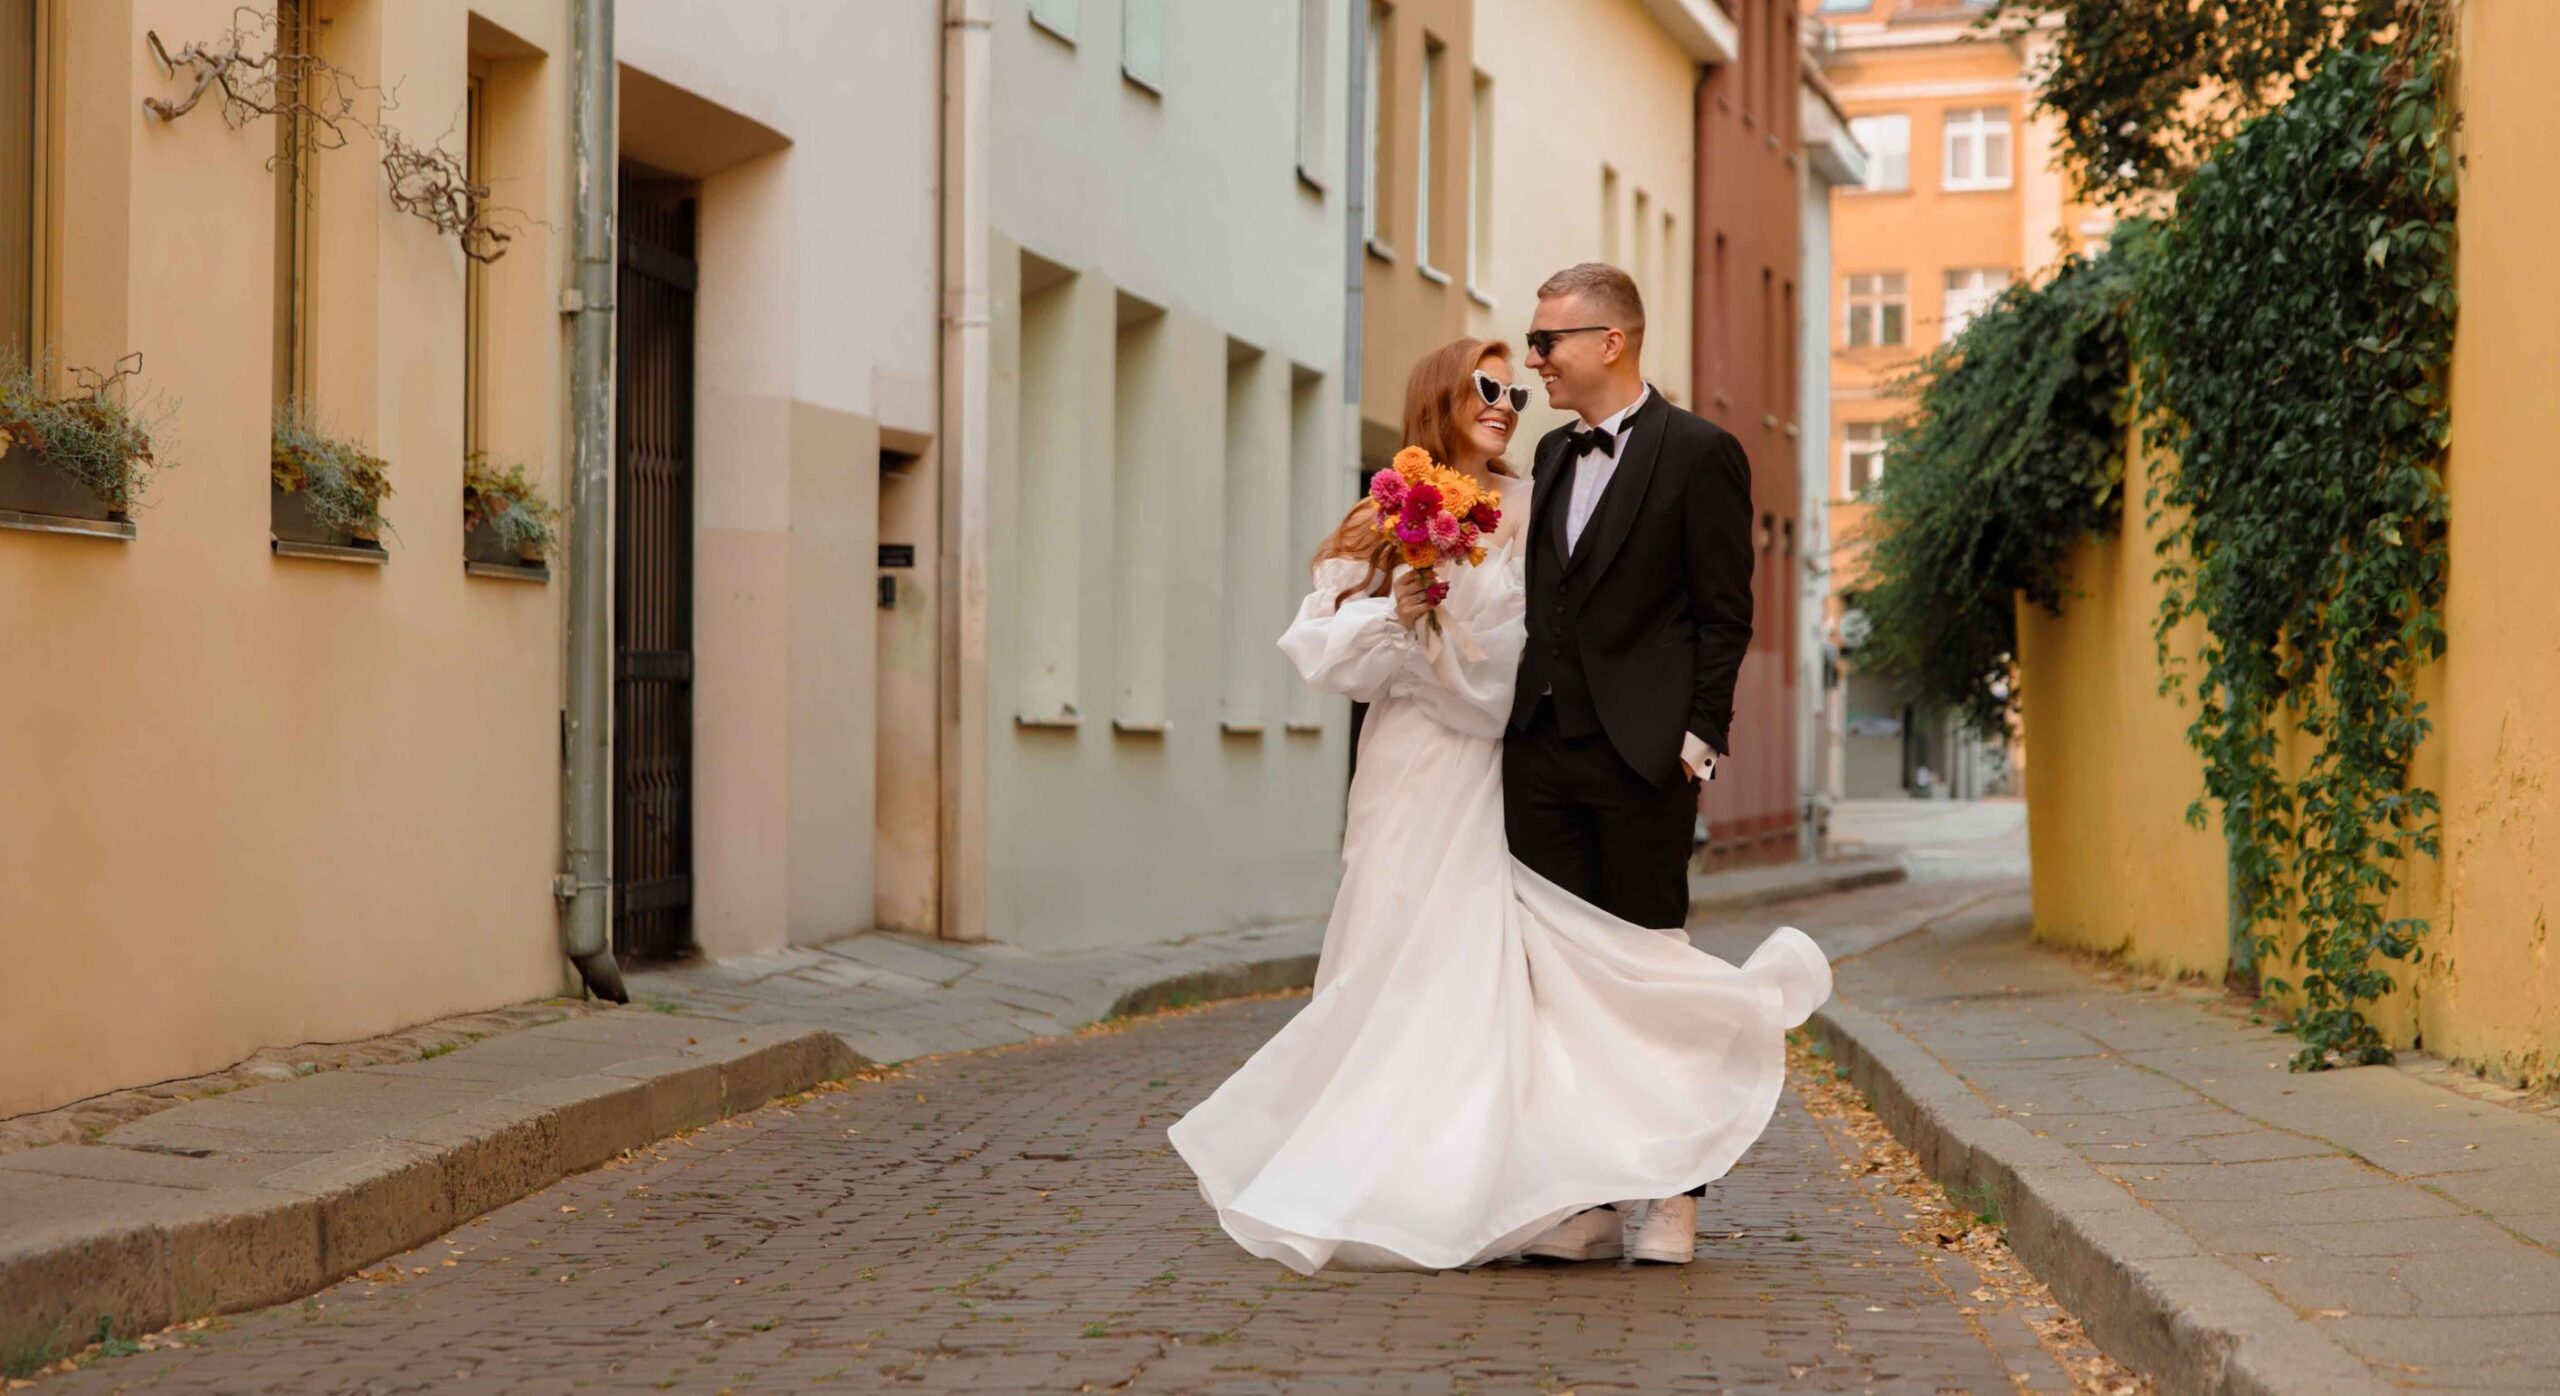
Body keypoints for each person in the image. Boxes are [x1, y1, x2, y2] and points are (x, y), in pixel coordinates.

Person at [1166, 319, 1828, 1276]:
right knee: (1392, 959)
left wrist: (1684, 736)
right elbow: (1319, 651)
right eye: (1486, 389)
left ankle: (1591, 1179)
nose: (1506, 407)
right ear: (1440, 397)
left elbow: (1571, 635)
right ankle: (1424, 1174)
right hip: (1411, 767)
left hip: (1505, 764)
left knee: (1525, 972)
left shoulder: (1541, 492)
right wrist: (1399, 617)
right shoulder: (1383, 514)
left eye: (1515, 393)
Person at [1504, 262, 1761, 1264]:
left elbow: (1722, 613)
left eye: (1547, 341)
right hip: (1540, 754)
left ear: (1609, 340)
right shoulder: (1551, 456)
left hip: (1644, 760)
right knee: (1557, 984)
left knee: (1649, 977)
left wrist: (1696, 742)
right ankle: (1587, 1199)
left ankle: (1670, 1194)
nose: (1534, 360)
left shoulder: (1702, 453)